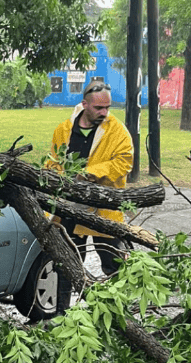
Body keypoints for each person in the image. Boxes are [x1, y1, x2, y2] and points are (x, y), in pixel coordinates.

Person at [48, 80, 134, 278]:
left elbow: (124, 163)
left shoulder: (117, 131)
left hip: (104, 210)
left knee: (115, 266)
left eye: (107, 107)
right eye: (98, 108)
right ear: (84, 104)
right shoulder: (63, 130)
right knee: (68, 266)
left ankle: (114, 307)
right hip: (70, 208)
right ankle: (63, 309)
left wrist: (91, 172)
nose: (104, 112)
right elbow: (53, 163)